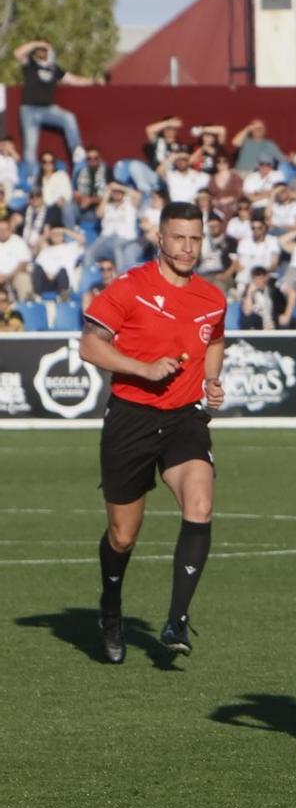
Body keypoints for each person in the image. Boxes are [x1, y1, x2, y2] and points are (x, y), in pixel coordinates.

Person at [79, 201, 226, 664]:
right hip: (131, 417)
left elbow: (216, 340)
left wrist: (212, 381)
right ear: (160, 239)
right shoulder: (130, 287)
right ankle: (111, 609)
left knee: (200, 504)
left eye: (195, 238)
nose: (187, 247)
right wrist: (143, 368)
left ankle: (176, 621)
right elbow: (89, 345)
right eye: (178, 237)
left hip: (184, 418)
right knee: (123, 536)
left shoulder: (213, 297)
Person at [13, 40, 82, 169]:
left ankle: (77, 150)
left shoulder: (54, 68)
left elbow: (73, 80)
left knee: (69, 118)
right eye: (39, 49)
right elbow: (17, 53)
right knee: (30, 148)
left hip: (48, 109)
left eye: (44, 49)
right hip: (29, 110)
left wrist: (95, 81)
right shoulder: (30, 64)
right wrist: (37, 43)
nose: (42, 51)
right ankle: (32, 179)